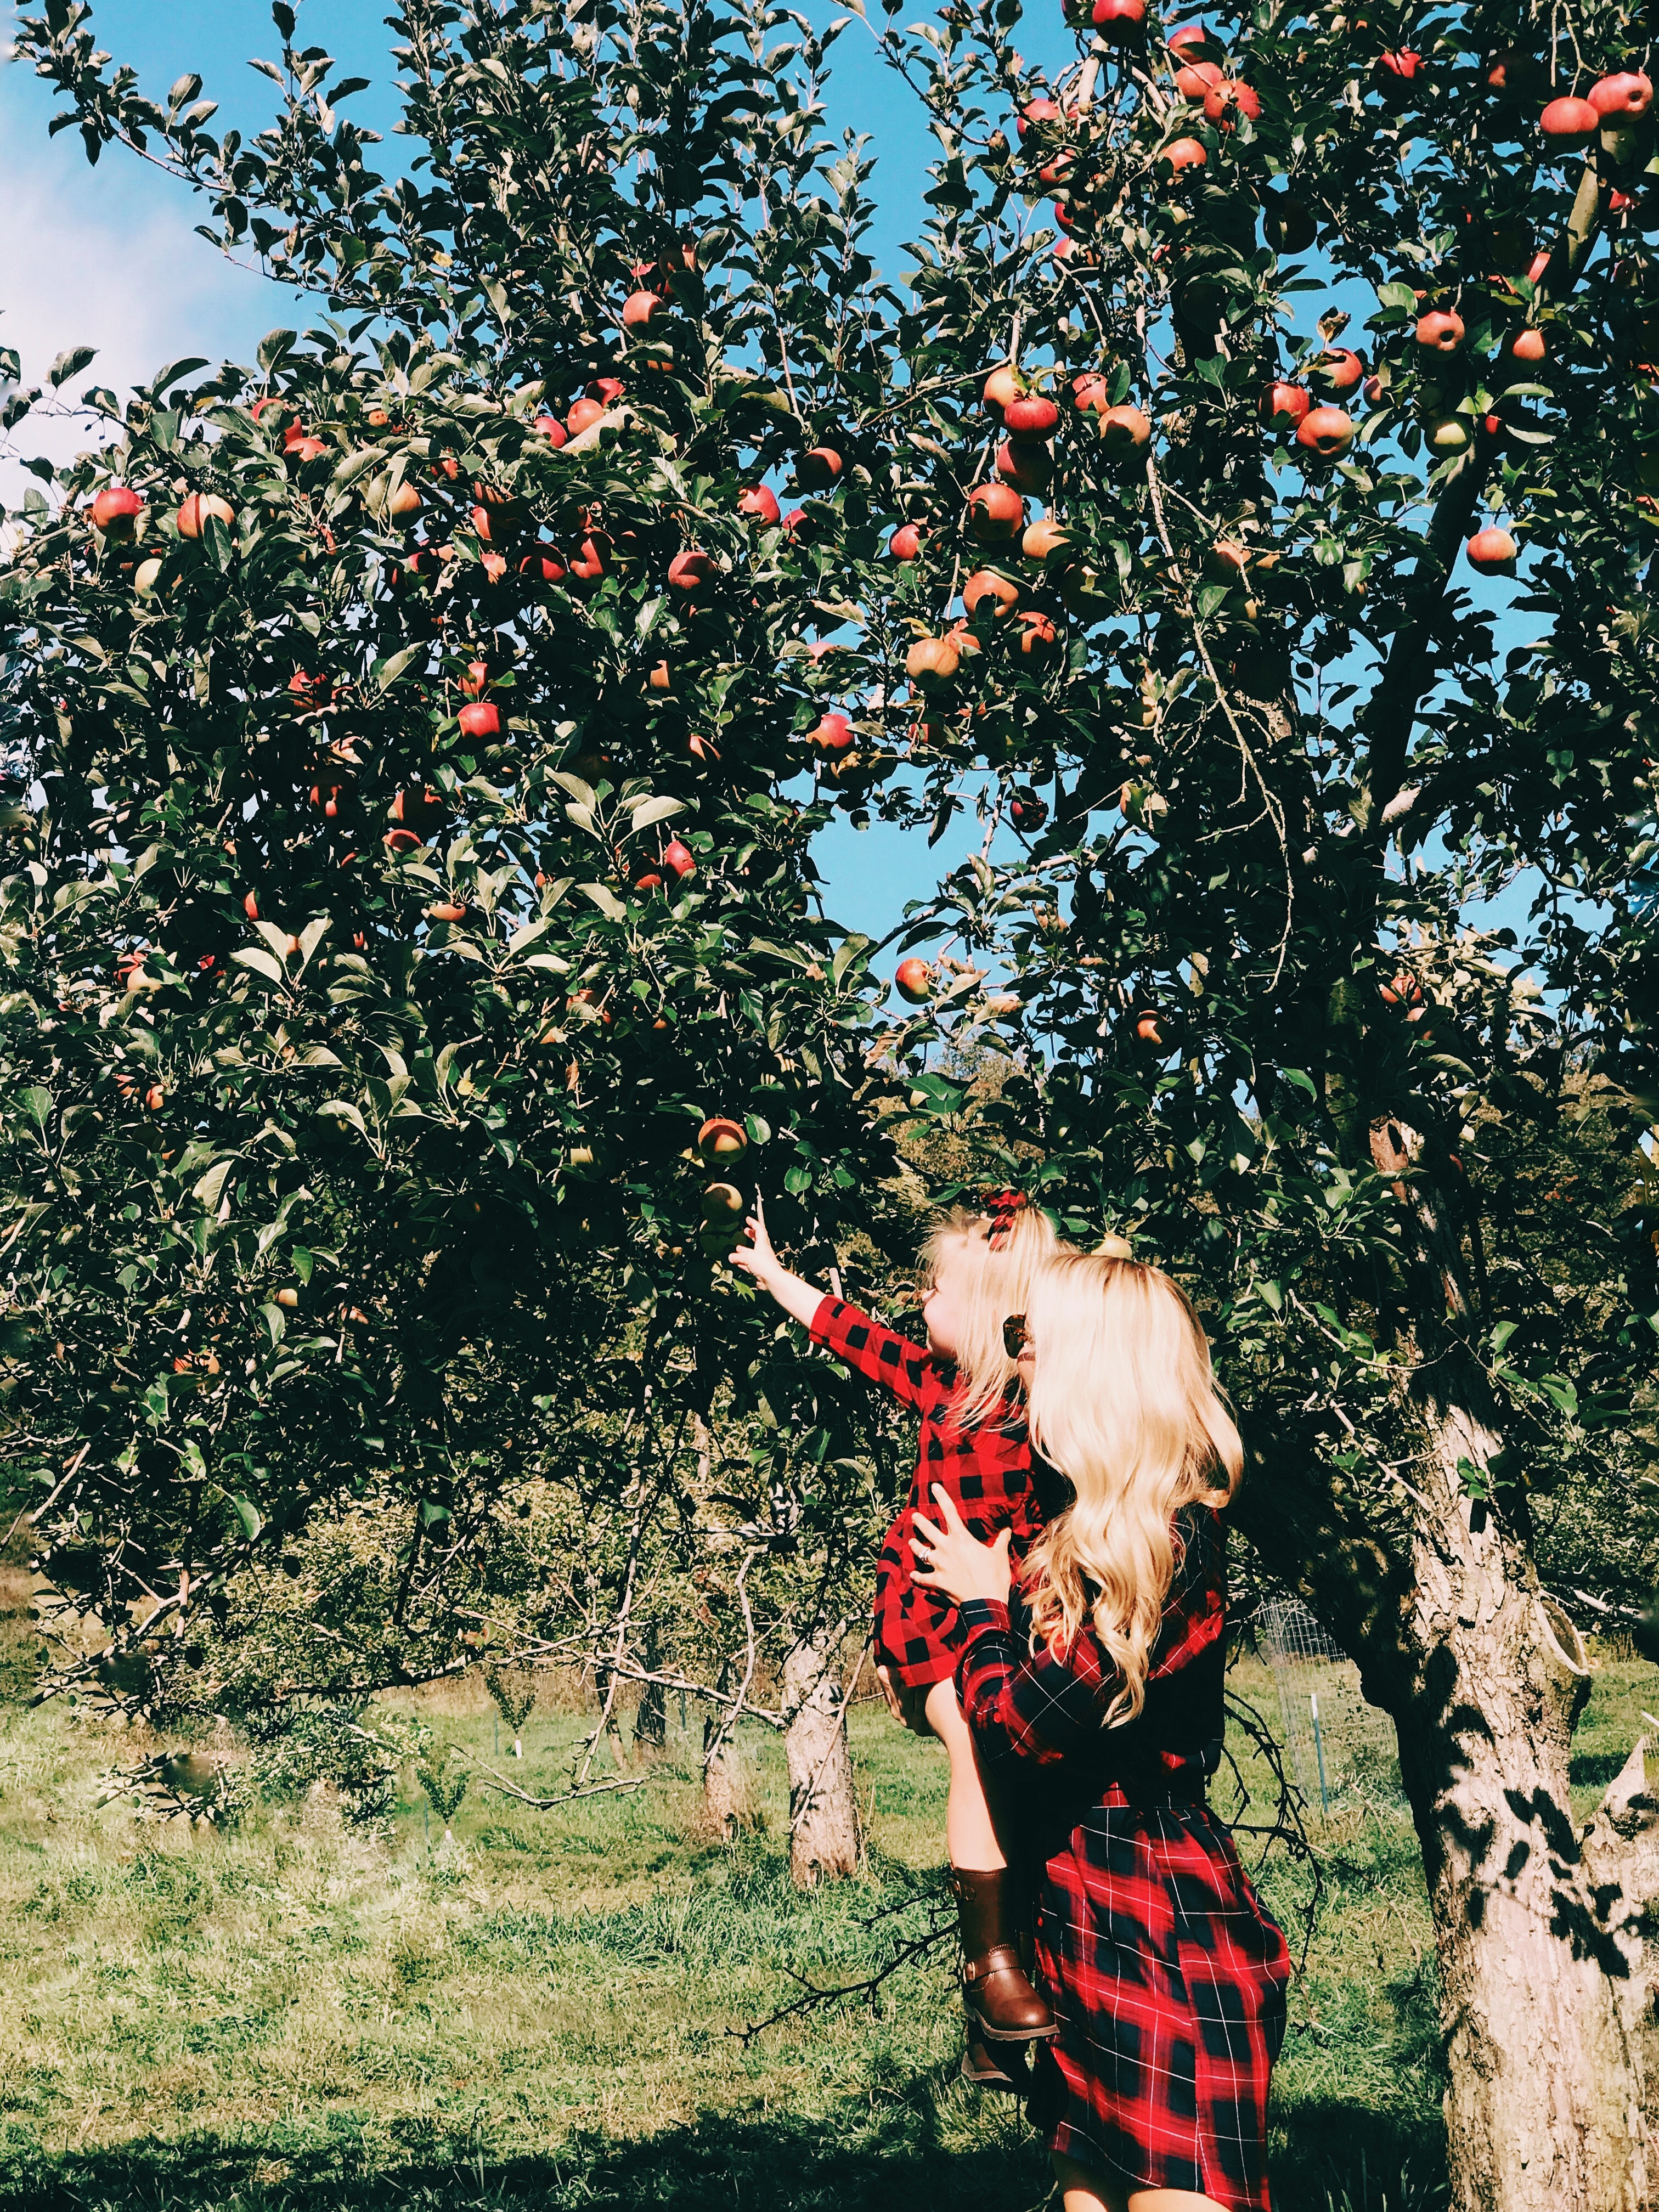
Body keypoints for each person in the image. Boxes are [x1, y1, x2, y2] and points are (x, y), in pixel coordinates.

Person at [910, 1244, 1290, 2212]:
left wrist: (986, 1613)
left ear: (1090, 1366)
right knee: (1088, 2189)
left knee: (1169, 2193)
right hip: (1082, 1916)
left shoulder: (1163, 1539)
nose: (1014, 1363)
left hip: (1154, 1920)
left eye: (1026, 1342)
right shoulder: (1082, 1530)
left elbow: (1020, 1729)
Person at [731, 1189, 1060, 2086]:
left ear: (993, 1310)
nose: (920, 1302)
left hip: (1012, 1623)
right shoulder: (941, 1388)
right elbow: (851, 1332)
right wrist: (771, 1275)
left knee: (1024, 1784)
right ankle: (988, 1968)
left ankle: (997, 2026)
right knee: (970, 1737)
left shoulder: (1048, 1412)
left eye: (937, 1291)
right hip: (931, 1619)